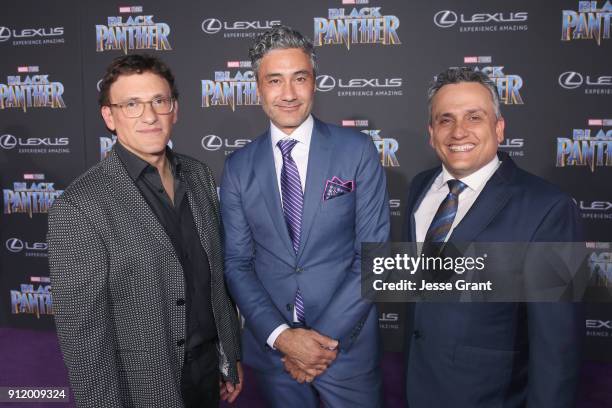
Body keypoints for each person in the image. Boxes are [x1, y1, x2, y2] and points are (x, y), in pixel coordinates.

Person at [47, 54, 242, 408]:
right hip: (145, 385)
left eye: (159, 101)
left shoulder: (199, 175)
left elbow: (215, 280)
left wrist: (229, 356)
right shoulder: (78, 208)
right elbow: (83, 338)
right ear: (110, 116)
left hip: (209, 371)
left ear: (175, 109)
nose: (150, 116)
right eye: (132, 104)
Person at [220, 25, 390, 407]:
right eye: (274, 80)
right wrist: (283, 338)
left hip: (346, 349)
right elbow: (237, 264)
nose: (289, 94)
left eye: (300, 78)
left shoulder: (357, 150)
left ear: (315, 82)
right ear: (258, 88)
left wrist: (317, 345)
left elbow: (374, 257)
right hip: (274, 354)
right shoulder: (238, 167)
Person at [403, 67, 583, 407]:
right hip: (418, 388)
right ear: (431, 133)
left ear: (498, 128)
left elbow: (558, 344)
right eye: (445, 120)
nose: (459, 132)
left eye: (474, 117)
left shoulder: (549, 207)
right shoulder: (418, 188)